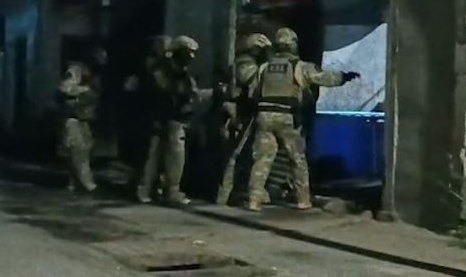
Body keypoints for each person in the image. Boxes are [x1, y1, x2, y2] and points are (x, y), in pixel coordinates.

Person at [246, 27, 361, 212]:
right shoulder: (299, 66)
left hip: (264, 116)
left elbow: (253, 91)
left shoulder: (264, 67)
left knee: (262, 160)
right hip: (288, 118)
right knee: (297, 159)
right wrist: (344, 77)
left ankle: (253, 200)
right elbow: (323, 78)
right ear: (293, 44)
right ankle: (303, 200)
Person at [135, 35, 202, 205]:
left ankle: (169, 190)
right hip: (158, 120)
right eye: (187, 54)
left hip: (173, 121)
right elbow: (160, 95)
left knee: (173, 156)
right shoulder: (161, 72)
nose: (190, 58)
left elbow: (190, 95)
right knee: (152, 157)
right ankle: (146, 189)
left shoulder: (182, 75)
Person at [216, 33, 273, 206]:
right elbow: (251, 81)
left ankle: (237, 192)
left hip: (246, 111)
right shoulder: (244, 63)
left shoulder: (252, 63)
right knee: (235, 155)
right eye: (261, 50)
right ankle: (224, 195)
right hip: (238, 112)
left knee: (247, 155)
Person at [57, 61, 100, 193]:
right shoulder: (72, 91)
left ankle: (74, 182)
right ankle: (88, 183)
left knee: (79, 153)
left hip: (81, 122)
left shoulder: (87, 91)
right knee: (79, 153)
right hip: (73, 123)